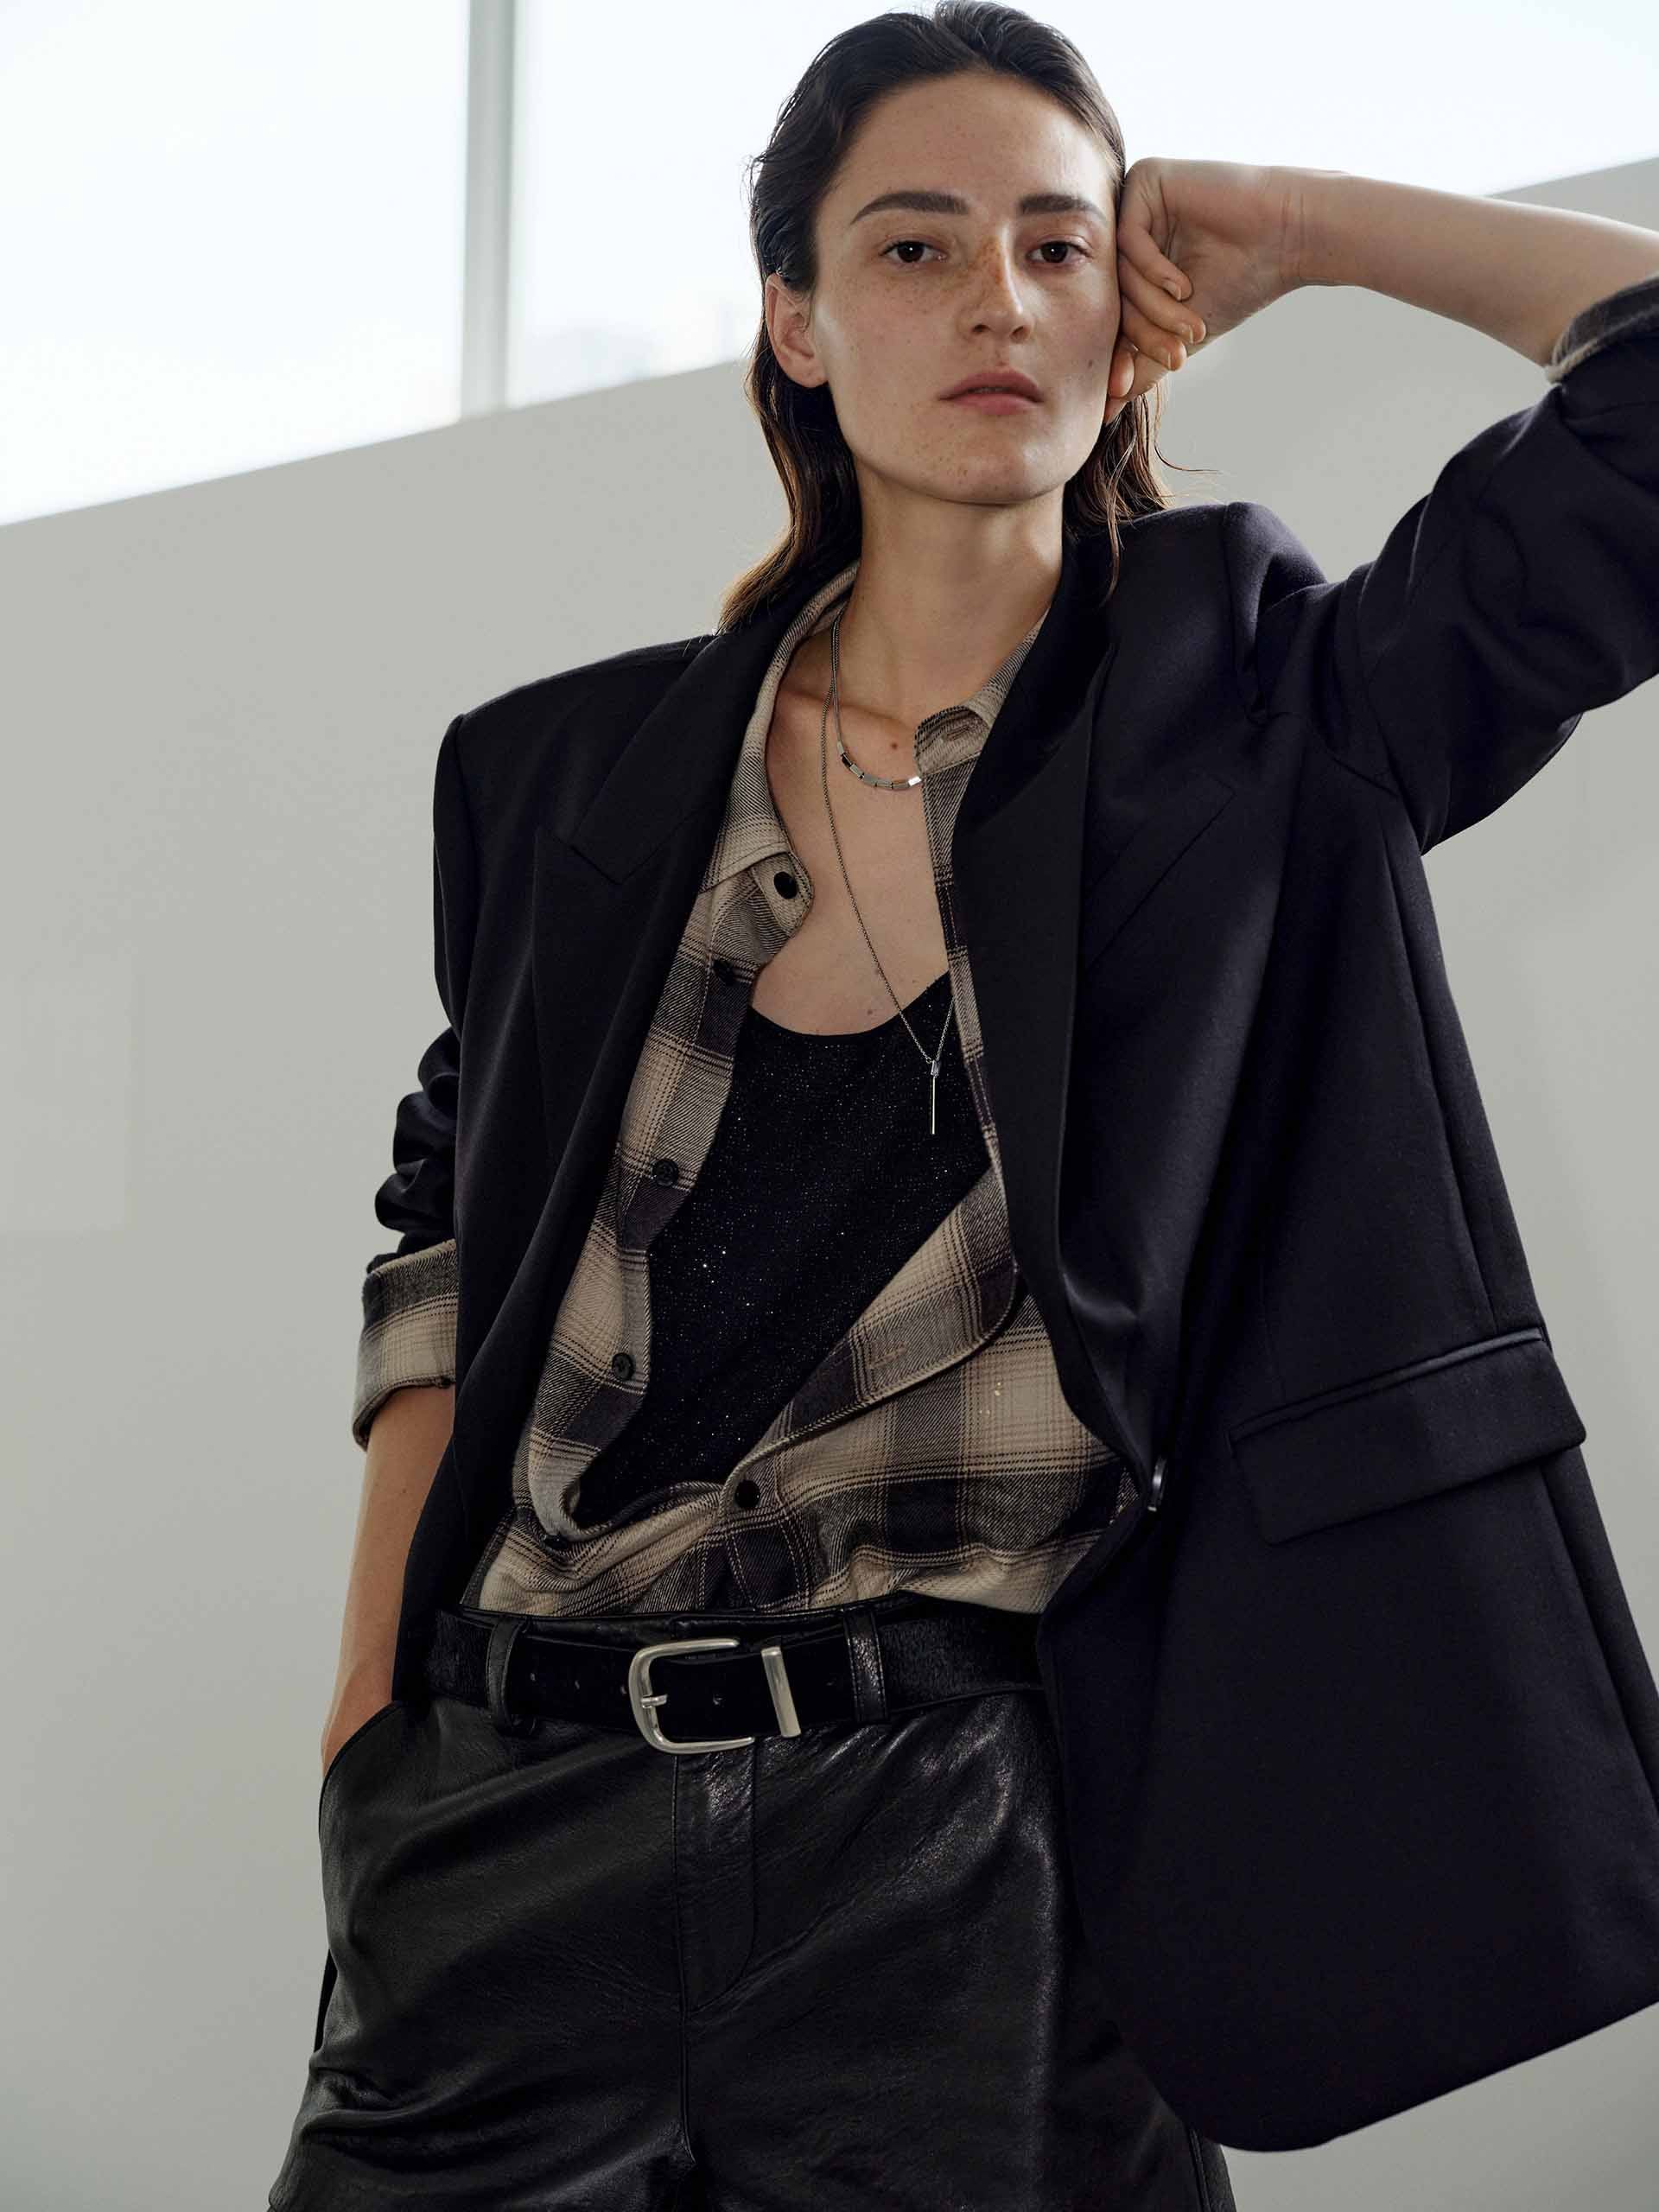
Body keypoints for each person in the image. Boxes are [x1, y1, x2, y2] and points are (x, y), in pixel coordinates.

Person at [267, 5, 1659, 2207]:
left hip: (980, 1859)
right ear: (795, 322)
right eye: (913, 248)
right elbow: (447, 1233)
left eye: (1057, 243)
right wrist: (372, 1711)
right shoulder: (563, 777)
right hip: (509, 1832)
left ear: (1133, 304)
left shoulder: (1268, 711)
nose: (996, 298)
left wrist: (1298, 222)